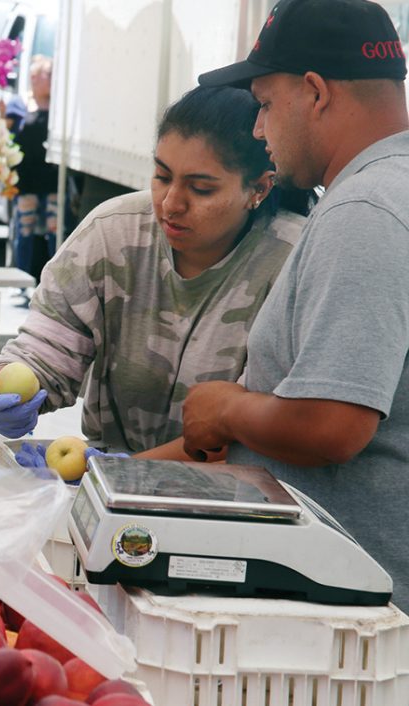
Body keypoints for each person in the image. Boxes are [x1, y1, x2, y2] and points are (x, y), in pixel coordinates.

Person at [182, 0, 409, 608]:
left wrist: (226, 408)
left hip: (350, 601)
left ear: (314, 91)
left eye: (263, 104)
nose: (258, 130)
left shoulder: (364, 210)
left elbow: (334, 424)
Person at [0, 84, 310, 458]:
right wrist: (10, 384)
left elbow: (255, 430)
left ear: (259, 188)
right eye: (162, 176)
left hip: (229, 499)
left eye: (200, 189)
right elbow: (48, 346)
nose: (170, 203)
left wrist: (123, 474)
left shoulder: (292, 262)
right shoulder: (113, 232)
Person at [8, 56, 62, 280]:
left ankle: (54, 280)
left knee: (54, 231)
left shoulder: (57, 107)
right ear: (33, 77)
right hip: (27, 179)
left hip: (51, 178)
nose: (51, 79)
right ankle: (22, 279)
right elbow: (6, 136)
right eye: (47, 74)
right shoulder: (20, 104)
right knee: (25, 230)